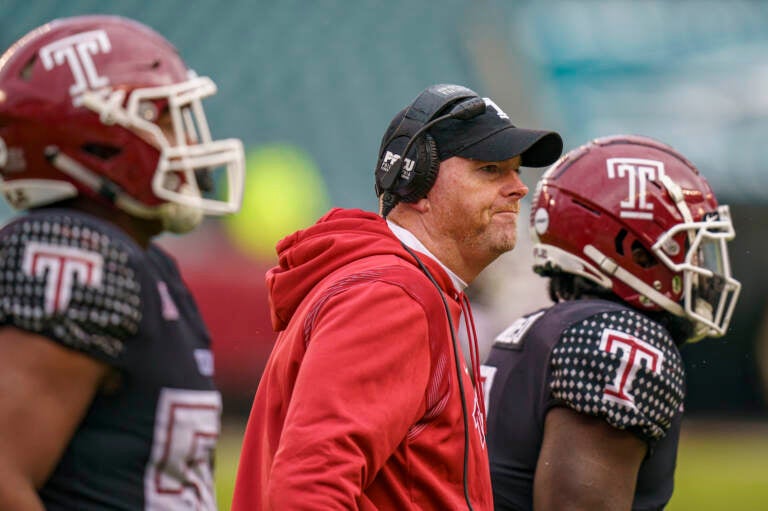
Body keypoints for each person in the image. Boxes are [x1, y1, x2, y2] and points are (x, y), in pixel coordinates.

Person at [231, 83, 563, 510]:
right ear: (419, 185)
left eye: (516, 170)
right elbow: (308, 491)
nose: (518, 187)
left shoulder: (407, 287)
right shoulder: (393, 297)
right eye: (491, 169)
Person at [0, 15, 245, 510]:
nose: (191, 144)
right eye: (167, 118)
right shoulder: (77, 250)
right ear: (99, 136)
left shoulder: (143, 264)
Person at [482, 134, 742, 511]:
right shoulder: (617, 338)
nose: (700, 266)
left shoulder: (539, 329)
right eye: (688, 244)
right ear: (635, 248)